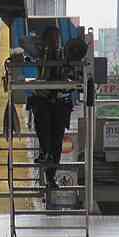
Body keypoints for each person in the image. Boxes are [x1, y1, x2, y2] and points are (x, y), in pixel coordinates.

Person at [29, 26, 73, 189]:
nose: (55, 42)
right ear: (46, 40)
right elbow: (25, 44)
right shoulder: (40, 54)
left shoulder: (66, 55)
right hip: (43, 100)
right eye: (51, 39)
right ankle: (44, 155)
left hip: (60, 102)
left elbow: (70, 75)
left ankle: (51, 177)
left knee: (57, 142)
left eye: (57, 38)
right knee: (44, 134)